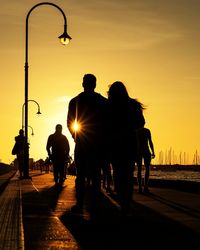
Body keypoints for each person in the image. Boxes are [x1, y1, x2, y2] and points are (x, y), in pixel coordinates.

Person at [67, 73, 108, 213]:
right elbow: (107, 124)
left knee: (81, 175)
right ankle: (95, 204)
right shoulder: (103, 101)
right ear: (95, 84)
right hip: (97, 144)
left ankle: (79, 204)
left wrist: (75, 136)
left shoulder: (74, 101)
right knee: (96, 175)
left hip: (81, 143)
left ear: (83, 84)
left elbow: (70, 122)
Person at [107, 81, 145, 214]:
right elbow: (141, 122)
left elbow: (104, 125)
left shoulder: (109, 106)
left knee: (117, 171)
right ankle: (127, 200)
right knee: (128, 173)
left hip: (115, 144)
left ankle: (121, 197)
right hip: (130, 143)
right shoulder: (133, 105)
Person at [136, 126, 155, 193]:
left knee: (139, 169)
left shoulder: (136, 131)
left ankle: (140, 187)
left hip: (139, 152)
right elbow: (150, 142)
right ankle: (145, 187)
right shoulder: (147, 131)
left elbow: (136, 143)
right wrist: (153, 151)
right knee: (147, 169)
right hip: (146, 151)